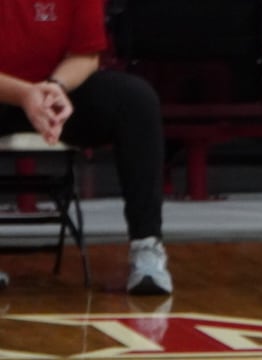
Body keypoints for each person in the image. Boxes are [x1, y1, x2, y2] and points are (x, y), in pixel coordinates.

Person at [0, 0, 171, 295]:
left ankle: (147, 248)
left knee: (136, 101)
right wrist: (25, 94)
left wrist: (56, 87)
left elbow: (86, 55)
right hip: (7, 93)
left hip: (54, 93)